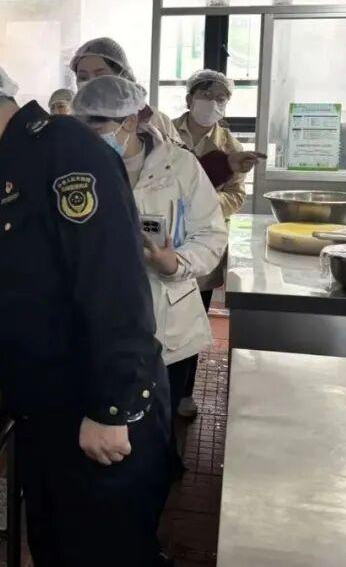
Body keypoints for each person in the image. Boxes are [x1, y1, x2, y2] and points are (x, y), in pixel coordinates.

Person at [0, 52, 173, 566]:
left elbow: (114, 286)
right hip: (52, 413)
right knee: (58, 549)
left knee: (105, 553)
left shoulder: (68, 157)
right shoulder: (14, 170)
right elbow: (1, 284)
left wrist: (110, 409)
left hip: (93, 412)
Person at [72, 75, 227, 450]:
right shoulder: (76, 169)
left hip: (168, 321)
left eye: (98, 124)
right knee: (109, 428)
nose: (88, 134)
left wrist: (176, 263)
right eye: (82, 124)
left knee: (159, 427)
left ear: (129, 121)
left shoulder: (179, 166)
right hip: (99, 323)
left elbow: (211, 234)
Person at [171, 69, 261, 418]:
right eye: (207, 96)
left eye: (221, 98)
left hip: (204, 245)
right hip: (164, 240)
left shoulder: (230, 147)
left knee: (193, 323)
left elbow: (236, 196)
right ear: (189, 99)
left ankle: (184, 393)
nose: (213, 103)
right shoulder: (165, 132)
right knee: (161, 317)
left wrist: (200, 207)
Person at [70, 37, 182, 141]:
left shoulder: (157, 120)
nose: (91, 83)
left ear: (122, 76)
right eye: (83, 77)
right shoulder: (73, 124)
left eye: (100, 76)